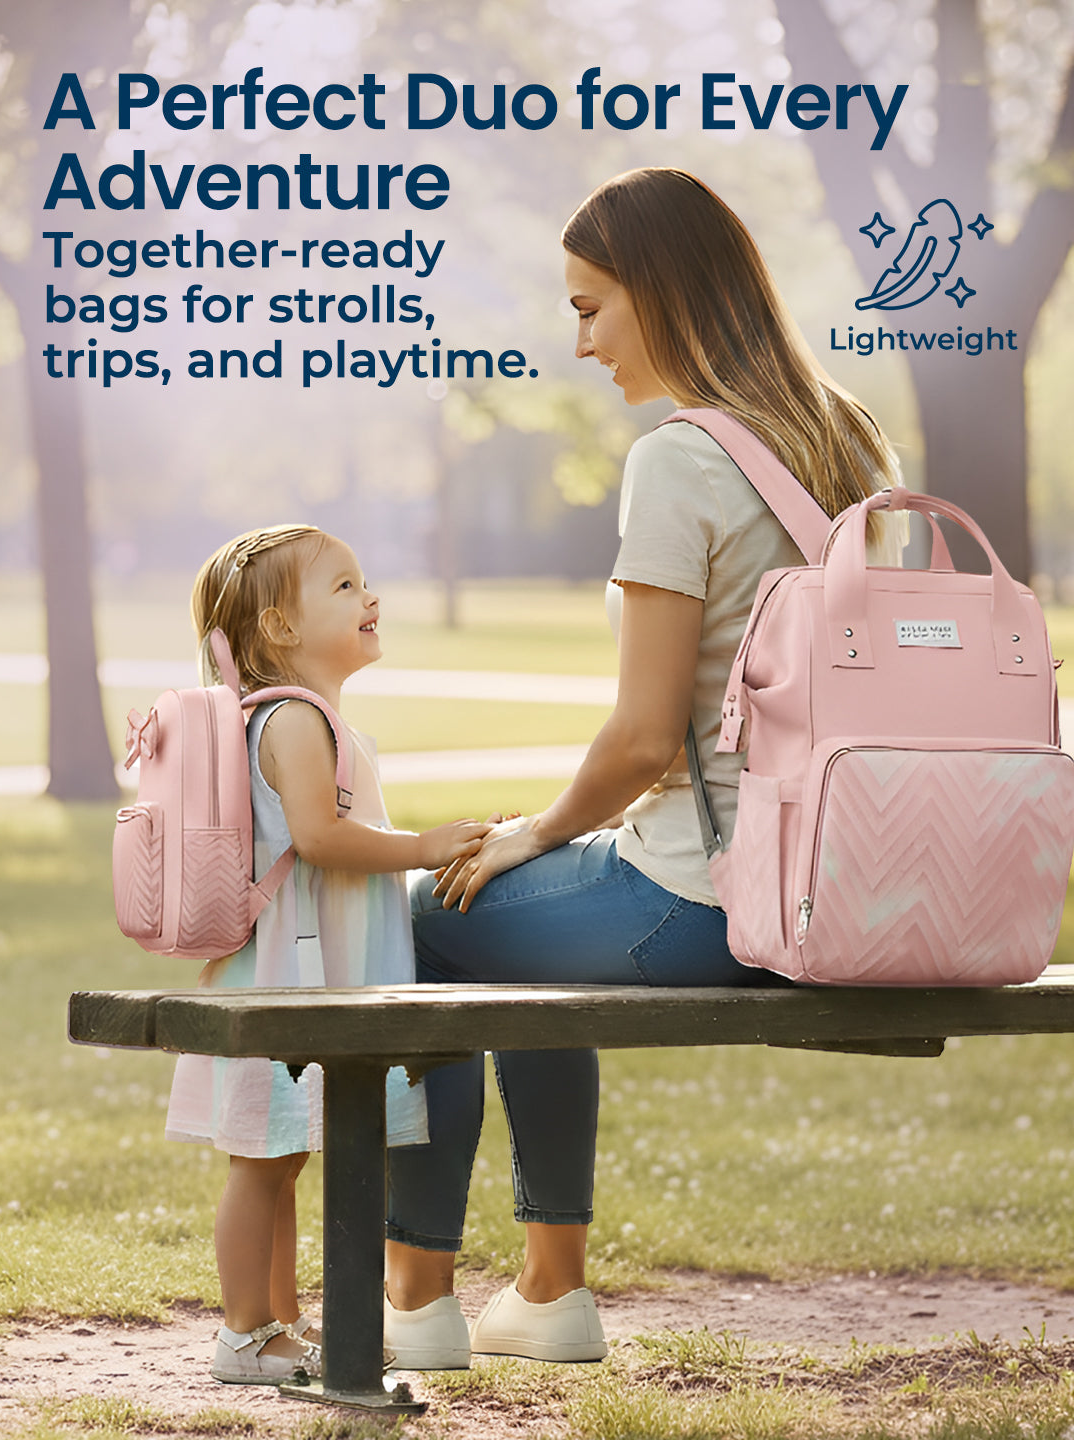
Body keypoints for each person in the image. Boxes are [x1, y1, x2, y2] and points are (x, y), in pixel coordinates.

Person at [382, 167, 905, 1370]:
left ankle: (416, 1302)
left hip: (713, 904)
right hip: (846, 889)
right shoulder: (848, 436)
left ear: (660, 293)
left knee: (428, 916)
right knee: (518, 937)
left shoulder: (678, 460)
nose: (578, 343)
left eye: (589, 308)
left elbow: (642, 738)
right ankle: (544, 1292)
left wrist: (531, 833)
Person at [164, 524, 491, 1385]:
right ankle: (242, 1332)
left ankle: (279, 1325)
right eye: (344, 587)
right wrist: (424, 847)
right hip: (290, 977)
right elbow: (317, 836)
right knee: (263, 1161)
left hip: (297, 968)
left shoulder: (299, 717)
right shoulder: (296, 719)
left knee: (280, 1155)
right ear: (278, 628)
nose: (370, 597)